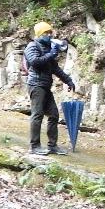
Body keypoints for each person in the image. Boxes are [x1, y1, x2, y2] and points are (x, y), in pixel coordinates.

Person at [24, 22, 75, 155]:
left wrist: (68, 80)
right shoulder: (32, 46)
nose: (49, 35)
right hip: (35, 84)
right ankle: (34, 146)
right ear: (40, 34)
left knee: (54, 115)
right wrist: (51, 54)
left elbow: (55, 69)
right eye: (46, 33)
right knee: (37, 115)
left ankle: (52, 146)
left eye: (50, 32)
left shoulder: (48, 48)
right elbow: (35, 62)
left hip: (46, 86)